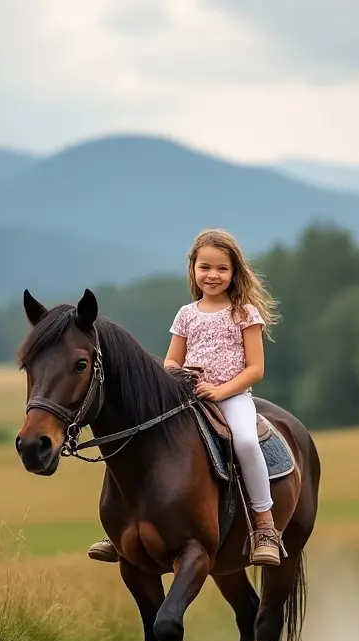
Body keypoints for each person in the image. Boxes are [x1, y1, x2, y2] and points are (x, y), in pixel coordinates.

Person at [87, 227, 283, 567]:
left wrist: (221, 390)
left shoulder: (245, 313)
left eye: (222, 268)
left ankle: (264, 525)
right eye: (205, 267)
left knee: (248, 444)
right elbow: (171, 361)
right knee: (139, 440)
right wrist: (177, 375)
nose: (213, 275)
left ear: (234, 271)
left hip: (231, 396)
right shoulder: (186, 314)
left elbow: (256, 369)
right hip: (186, 396)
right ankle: (119, 527)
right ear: (193, 268)